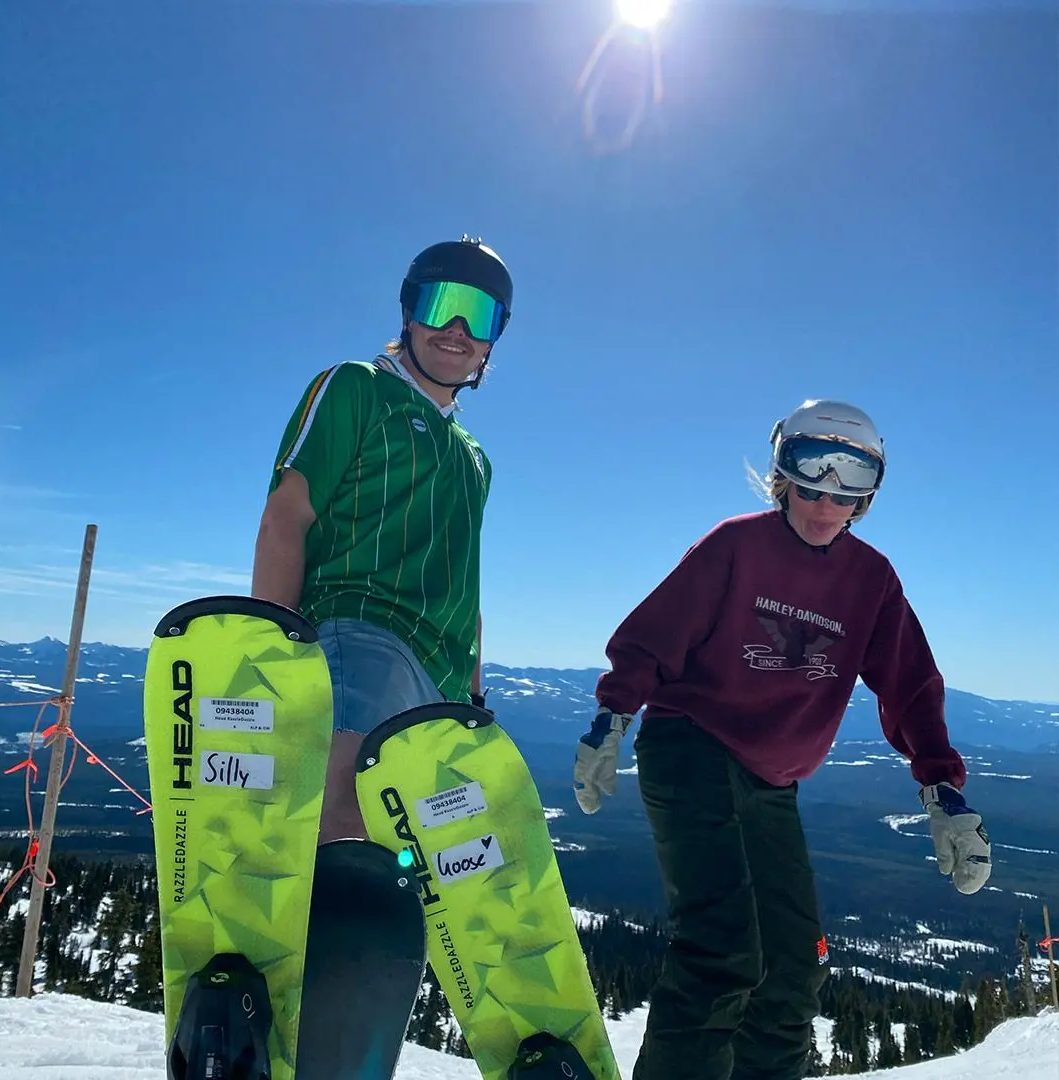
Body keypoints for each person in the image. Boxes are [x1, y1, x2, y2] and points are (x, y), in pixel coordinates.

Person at [572, 399, 992, 1080]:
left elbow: (910, 684)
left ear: (869, 494)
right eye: (810, 477)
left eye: (850, 483)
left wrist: (941, 786)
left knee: (793, 967)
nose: (826, 501)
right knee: (723, 950)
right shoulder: (736, 546)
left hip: (772, 780)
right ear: (780, 473)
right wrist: (613, 715)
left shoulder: (871, 581)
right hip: (692, 746)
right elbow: (655, 633)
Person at [250, 235, 512, 844]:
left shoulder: (474, 457)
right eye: (440, 302)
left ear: (494, 337)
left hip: (442, 676)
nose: (455, 329)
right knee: (346, 813)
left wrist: (474, 692)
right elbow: (286, 516)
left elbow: (463, 578)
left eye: (478, 315)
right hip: (358, 633)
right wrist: (271, 649)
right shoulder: (357, 388)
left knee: (422, 858)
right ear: (408, 312)